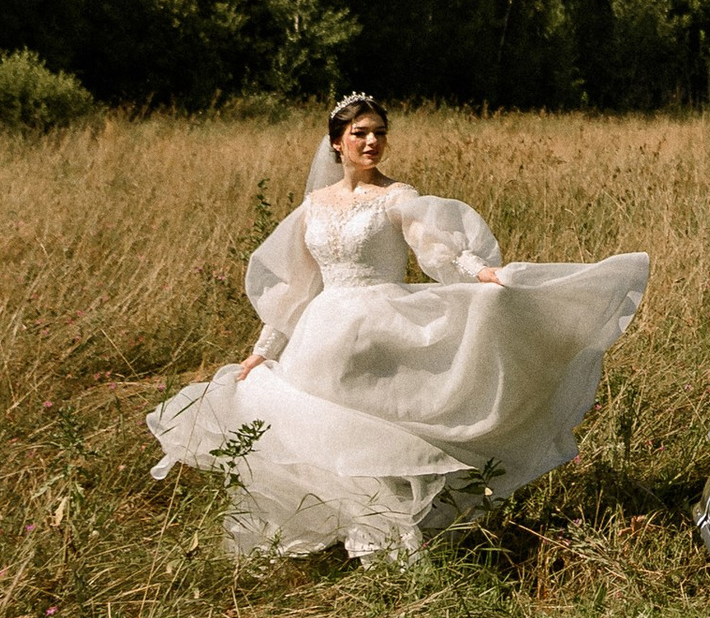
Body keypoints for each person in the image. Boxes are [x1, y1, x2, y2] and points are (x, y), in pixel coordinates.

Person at [146, 92, 649, 562]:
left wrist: (482, 273)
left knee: (380, 439)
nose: (372, 142)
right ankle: (359, 534)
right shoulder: (314, 205)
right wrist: (262, 349)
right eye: (360, 133)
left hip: (382, 329)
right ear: (336, 142)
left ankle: (392, 541)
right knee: (326, 437)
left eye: (379, 133)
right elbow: (296, 290)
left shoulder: (395, 196)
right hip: (322, 336)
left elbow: (439, 248)